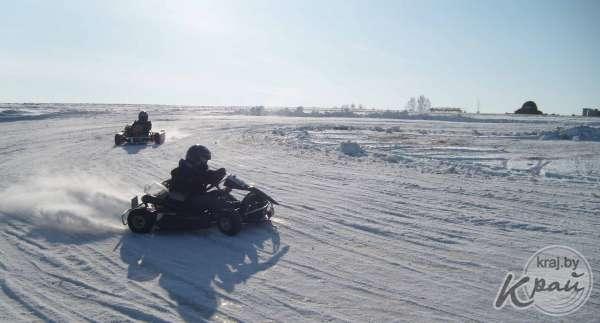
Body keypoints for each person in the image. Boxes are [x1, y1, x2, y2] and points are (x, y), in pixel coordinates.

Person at [170, 145, 227, 212]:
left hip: (194, 197)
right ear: (195, 157)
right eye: (204, 159)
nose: (205, 162)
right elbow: (202, 176)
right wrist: (211, 177)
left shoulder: (194, 168)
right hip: (186, 201)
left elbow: (206, 174)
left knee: (220, 195)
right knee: (214, 201)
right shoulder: (184, 169)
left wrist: (217, 173)